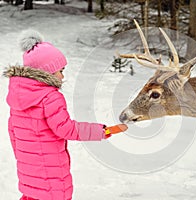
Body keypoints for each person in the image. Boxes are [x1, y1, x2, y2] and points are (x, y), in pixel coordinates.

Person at [3, 30, 128, 200]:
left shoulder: (17, 96)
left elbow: (13, 133)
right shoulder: (50, 97)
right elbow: (66, 129)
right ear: (47, 72)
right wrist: (102, 131)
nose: (63, 75)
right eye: (60, 71)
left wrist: (24, 159)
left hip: (28, 169)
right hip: (50, 170)